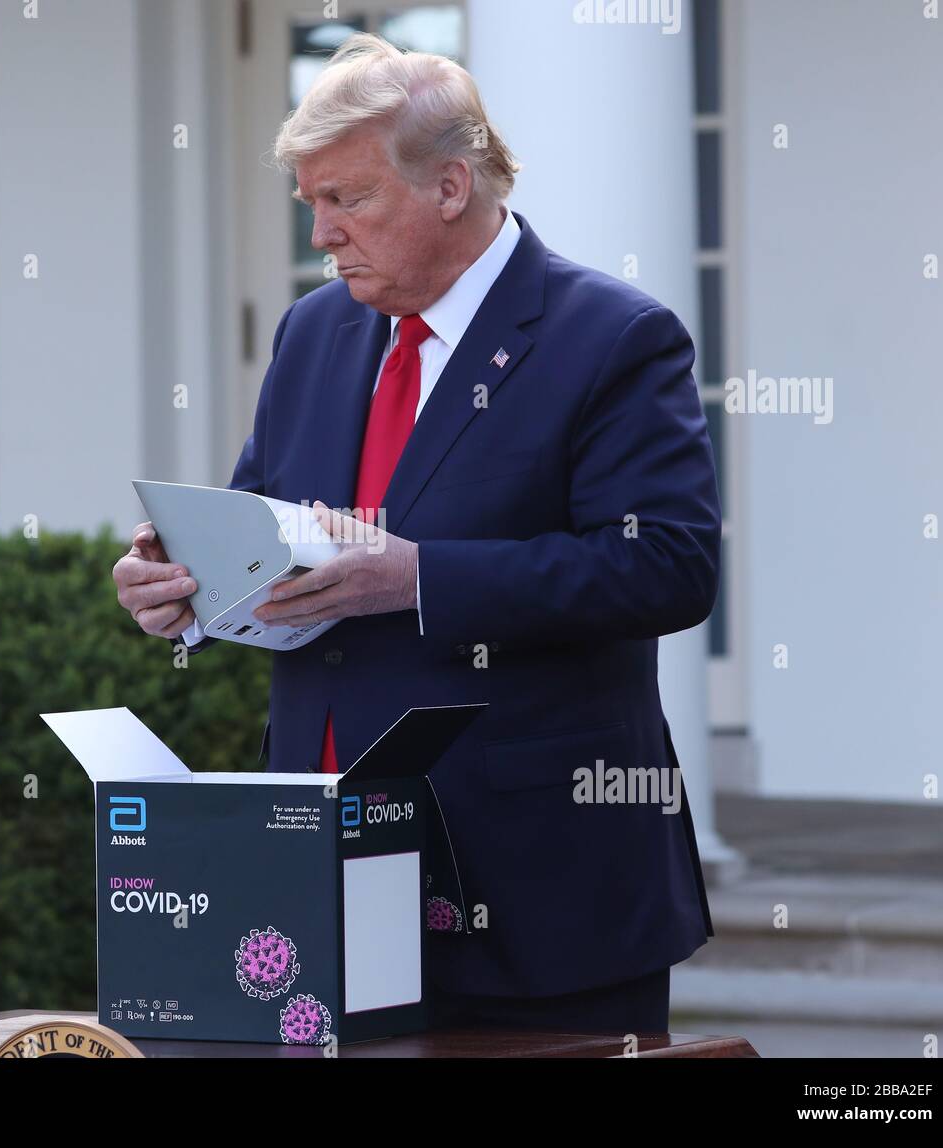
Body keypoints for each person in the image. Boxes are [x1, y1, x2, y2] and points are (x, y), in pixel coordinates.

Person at [113, 33, 718, 1035]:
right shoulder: (313, 330)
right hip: (318, 854)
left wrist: (417, 579)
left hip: (537, 875)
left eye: (346, 199)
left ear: (449, 186)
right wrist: (179, 586)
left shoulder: (612, 337)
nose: (322, 234)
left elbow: (667, 565)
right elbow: (261, 523)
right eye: (309, 202)